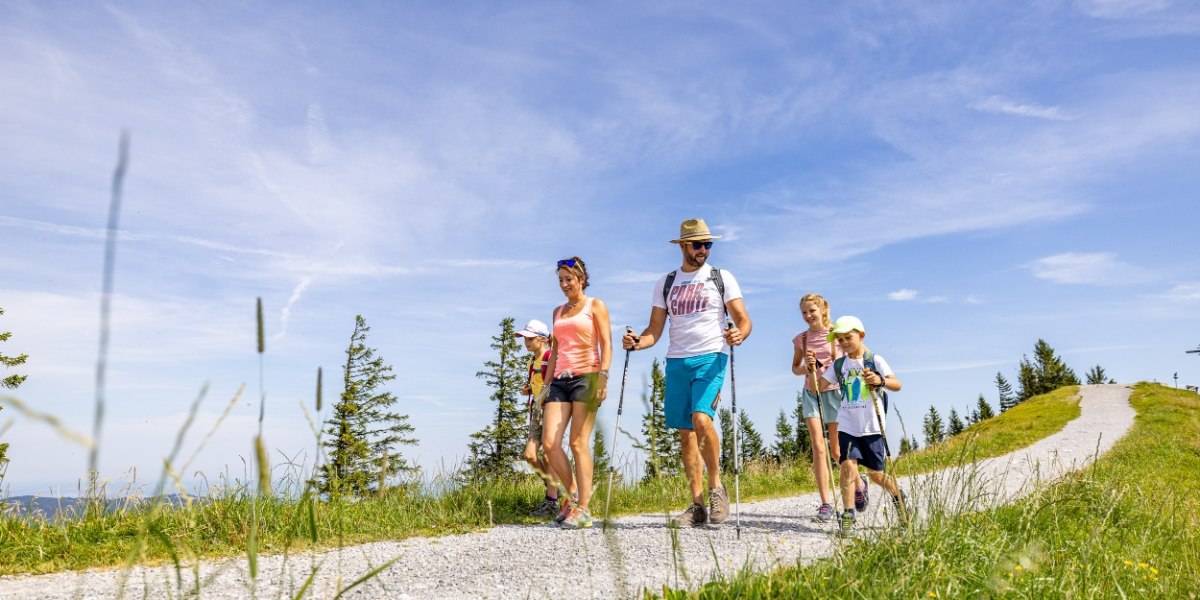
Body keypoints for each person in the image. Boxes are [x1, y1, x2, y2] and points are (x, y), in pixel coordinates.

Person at [622, 218, 751, 527]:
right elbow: (654, 330)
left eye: (708, 244)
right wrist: (636, 343)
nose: (703, 250)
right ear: (682, 246)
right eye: (697, 245)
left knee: (701, 418)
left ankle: (716, 488)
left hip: (711, 356)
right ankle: (696, 506)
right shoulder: (666, 283)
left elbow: (743, 319)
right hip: (677, 361)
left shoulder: (721, 277)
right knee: (686, 433)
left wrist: (740, 334)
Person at [542, 256, 612, 529]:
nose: (564, 284)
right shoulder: (557, 312)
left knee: (578, 443)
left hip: (588, 376)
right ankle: (573, 498)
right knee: (549, 444)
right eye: (560, 280)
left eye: (569, 279)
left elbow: (606, 344)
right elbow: (556, 350)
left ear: (581, 279)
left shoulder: (595, 305)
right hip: (559, 379)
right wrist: (546, 385)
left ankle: (583, 508)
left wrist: (603, 378)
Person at [820, 315, 905, 536]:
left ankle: (900, 498)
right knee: (848, 467)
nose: (844, 343)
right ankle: (848, 516)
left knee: (876, 476)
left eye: (848, 337)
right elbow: (819, 386)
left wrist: (880, 381)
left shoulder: (874, 360)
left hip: (872, 426)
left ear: (861, 335)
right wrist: (814, 366)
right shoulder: (839, 365)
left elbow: (897, 384)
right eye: (840, 340)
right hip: (847, 424)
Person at [791, 293, 864, 522]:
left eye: (812, 311)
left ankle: (859, 484)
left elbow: (852, 359)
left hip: (834, 394)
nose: (808, 316)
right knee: (818, 447)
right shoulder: (801, 339)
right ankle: (825, 503)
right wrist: (808, 366)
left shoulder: (836, 335)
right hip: (811, 394)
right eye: (804, 312)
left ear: (823, 310)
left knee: (836, 451)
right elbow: (795, 368)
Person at [515, 319, 557, 517]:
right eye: (525, 339)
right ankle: (553, 487)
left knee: (549, 454)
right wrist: (528, 389)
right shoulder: (531, 361)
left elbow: (555, 384)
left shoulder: (550, 356)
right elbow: (536, 383)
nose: (526, 343)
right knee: (530, 455)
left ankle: (552, 500)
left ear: (542, 339)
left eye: (530, 339)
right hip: (536, 412)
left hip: (550, 409)